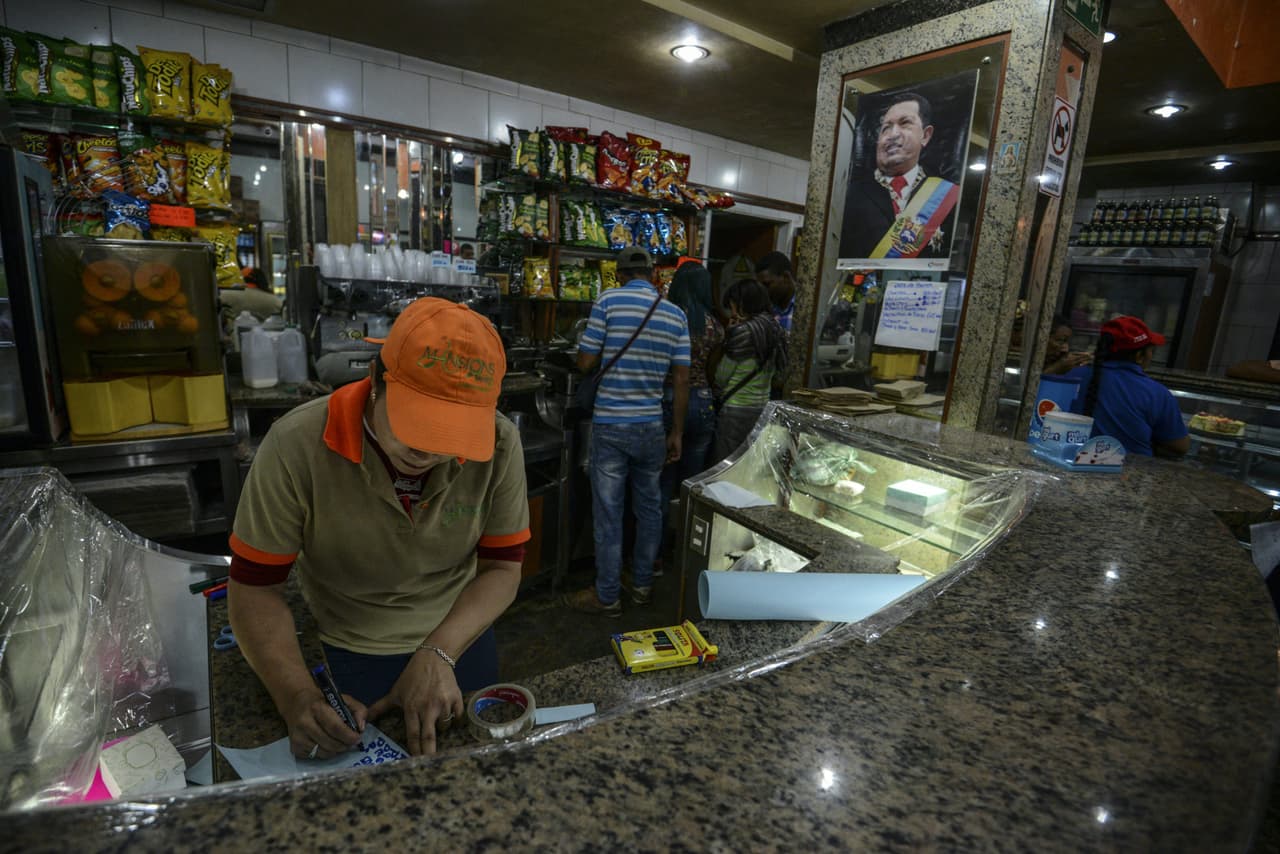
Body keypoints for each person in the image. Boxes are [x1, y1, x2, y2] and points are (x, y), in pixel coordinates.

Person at [227, 297, 530, 758]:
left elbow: (503, 568)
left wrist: (439, 652)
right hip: (351, 643)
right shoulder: (296, 445)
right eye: (418, 423)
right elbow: (254, 587)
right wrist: (296, 696)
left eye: (451, 434)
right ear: (376, 380)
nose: (428, 451)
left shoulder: (500, 443)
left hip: (460, 635)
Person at [564, 247, 690, 616]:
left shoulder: (608, 301)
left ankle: (607, 596)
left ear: (619, 275)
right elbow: (682, 379)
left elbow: (586, 361)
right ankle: (642, 587)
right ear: (653, 275)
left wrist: (589, 353)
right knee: (649, 510)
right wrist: (677, 432)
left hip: (611, 425)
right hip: (651, 426)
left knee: (609, 513)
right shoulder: (675, 314)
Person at [839, 91, 959, 261]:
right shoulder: (850, 193)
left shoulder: (945, 196)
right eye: (886, 128)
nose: (893, 134)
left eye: (905, 123)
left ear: (925, 135)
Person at [659, 261, 723, 565]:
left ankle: (656, 554)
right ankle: (685, 557)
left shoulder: (667, 319)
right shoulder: (714, 326)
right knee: (692, 486)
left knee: (661, 484)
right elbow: (712, 371)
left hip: (670, 399)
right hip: (703, 401)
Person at [1064, 315, 1189, 457]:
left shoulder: (1071, 375)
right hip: (1130, 468)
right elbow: (1180, 446)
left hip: (1068, 461)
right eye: (1151, 351)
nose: (1151, 356)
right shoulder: (1156, 393)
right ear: (1139, 356)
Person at [712, 279, 787, 461]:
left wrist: (728, 337)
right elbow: (780, 372)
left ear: (742, 304)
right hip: (762, 408)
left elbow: (721, 377)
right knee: (749, 462)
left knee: (726, 464)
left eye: (733, 306)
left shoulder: (742, 332)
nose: (732, 312)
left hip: (736, 409)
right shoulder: (776, 330)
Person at [755, 251, 797, 334]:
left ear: (786, 277)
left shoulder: (805, 307)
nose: (763, 290)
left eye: (767, 284)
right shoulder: (765, 309)